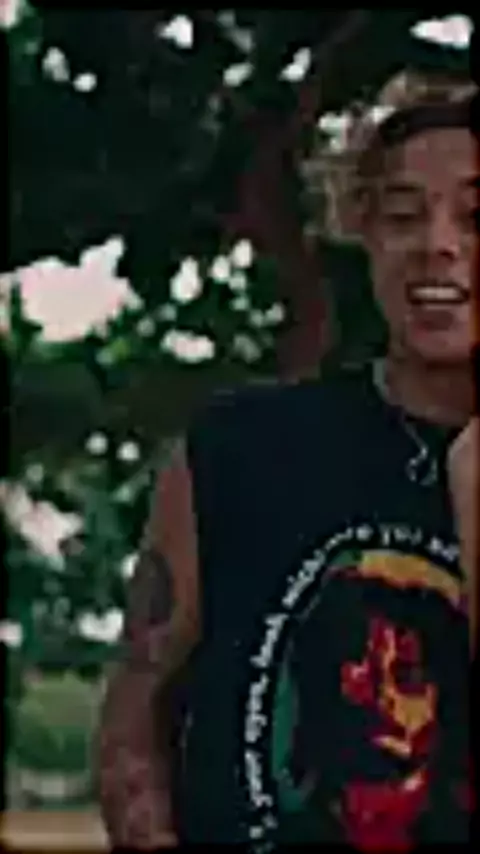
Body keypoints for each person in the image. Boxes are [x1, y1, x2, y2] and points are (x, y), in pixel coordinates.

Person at [98, 92, 477, 848]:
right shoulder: (237, 448)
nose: (437, 244)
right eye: (403, 214)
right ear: (362, 232)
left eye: (477, 216)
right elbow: (137, 714)